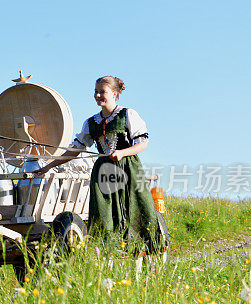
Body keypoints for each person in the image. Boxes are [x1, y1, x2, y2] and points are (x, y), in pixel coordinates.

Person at [37, 75, 165, 257]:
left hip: (128, 168)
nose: (97, 95)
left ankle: (148, 249)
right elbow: (75, 150)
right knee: (104, 212)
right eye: (95, 92)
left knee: (137, 206)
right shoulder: (91, 123)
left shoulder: (128, 115)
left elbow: (142, 144)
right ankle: (109, 251)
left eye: (102, 92)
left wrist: (122, 153)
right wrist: (49, 166)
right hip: (103, 172)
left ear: (114, 94)